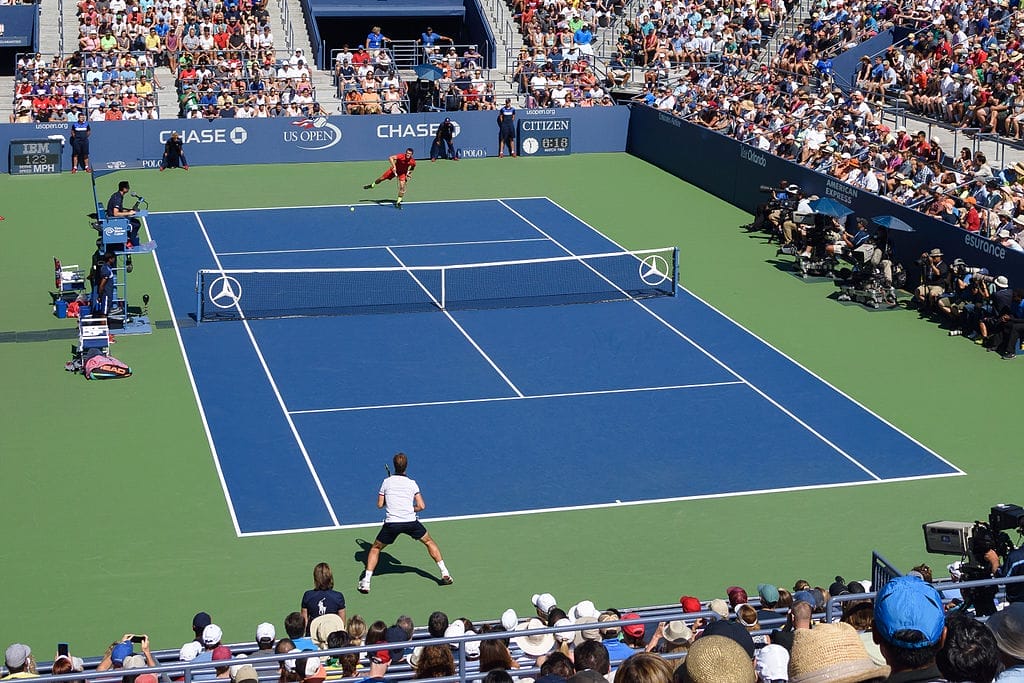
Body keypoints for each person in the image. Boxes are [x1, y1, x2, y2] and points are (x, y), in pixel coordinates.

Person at [357, 452, 452, 594]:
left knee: (375, 548)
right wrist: (409, 508)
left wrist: (389, 502)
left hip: (392, 524)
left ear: (394, 466)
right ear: (406, 466)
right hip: (410, 522)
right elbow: (421, 506)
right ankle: (445, 572)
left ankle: (366, 582)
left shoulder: (386, 482)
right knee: (429, 542)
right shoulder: (412, 483)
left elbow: (379, 505)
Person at [301, 563, 346, 635]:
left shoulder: (307, 595)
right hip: (332, 636)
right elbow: (342, 623)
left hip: (313, 635)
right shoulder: (338, 596)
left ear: (315, 578)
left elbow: (304, 623)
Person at [106, 180, 141, 270]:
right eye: (128, 187)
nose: (129, 188)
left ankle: (129, 240)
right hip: (114, 221)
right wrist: (129, 213)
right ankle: (130, 242)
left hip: (114, 219)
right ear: (124, 189)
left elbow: (120, 210)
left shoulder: (118, 195)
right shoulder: (118, 198)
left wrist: (129, 211)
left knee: (135, 222)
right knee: (136, 224)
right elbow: (116, 213)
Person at [94, 250, 119, 317]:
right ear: (110, 259)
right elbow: (102, 285)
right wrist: (100, 296)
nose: (114, 259)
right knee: (104, 314)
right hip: (106, 295)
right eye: (113, 258)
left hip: (108, 295)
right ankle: (103, 324)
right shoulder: (106, 270)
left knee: (106, 312)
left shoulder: (108, 268)